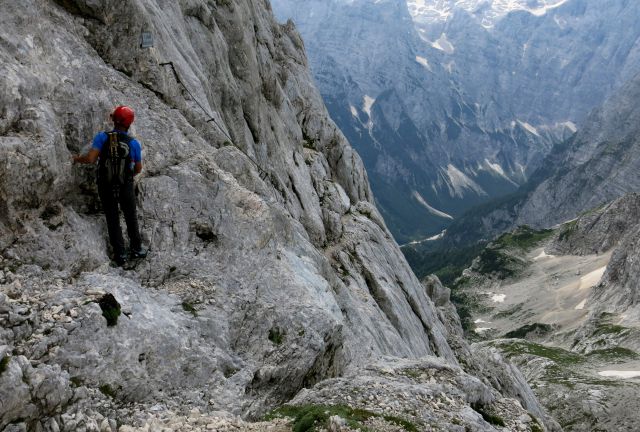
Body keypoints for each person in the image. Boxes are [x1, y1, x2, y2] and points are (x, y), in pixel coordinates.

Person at [73, 106, 147, 266]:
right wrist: (127, 177)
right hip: (125, 184)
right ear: (129, 124)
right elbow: (138, 168)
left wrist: (77, 159)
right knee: (130, 216)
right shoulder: (133, 143)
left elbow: (91, 159)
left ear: (114, 120)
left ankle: (120, 254)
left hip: (105, 184)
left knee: (112, 218)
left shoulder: (102, 137)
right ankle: (137, 248)